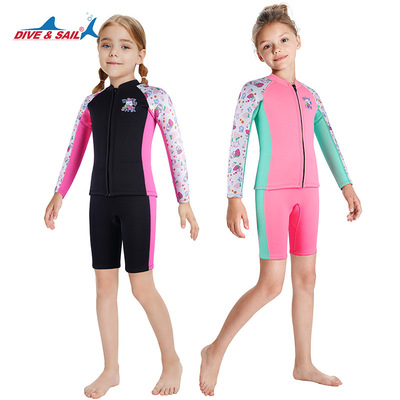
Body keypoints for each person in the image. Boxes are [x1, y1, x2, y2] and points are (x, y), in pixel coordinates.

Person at [199, 4, 362, 395]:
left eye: (284, 40)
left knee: (307, 279)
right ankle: (214, 350)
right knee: (271, 284)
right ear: (259, 54)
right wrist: (233, 197)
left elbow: (328, 141)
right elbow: (238, 143)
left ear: (298, 42)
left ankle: (303, 364)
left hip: (309, 194)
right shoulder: (254, 91)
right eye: (267, 46)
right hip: (272, 193)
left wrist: (346, 186)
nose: (277, 50)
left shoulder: (311, 96)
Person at [44, 14, 199, 398]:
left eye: (124, 46)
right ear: (98, 51)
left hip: (137, 200)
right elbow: (74, 151)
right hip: (99, 202)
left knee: (142, 287)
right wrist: (59, 193)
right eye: (106, 45)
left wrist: (184, 199)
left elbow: (175, 148)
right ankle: (111, 369)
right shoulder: (92, 102)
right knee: (103, 288)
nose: (114, 52)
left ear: (140, 54)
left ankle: (172, 360)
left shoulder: (153, 97)